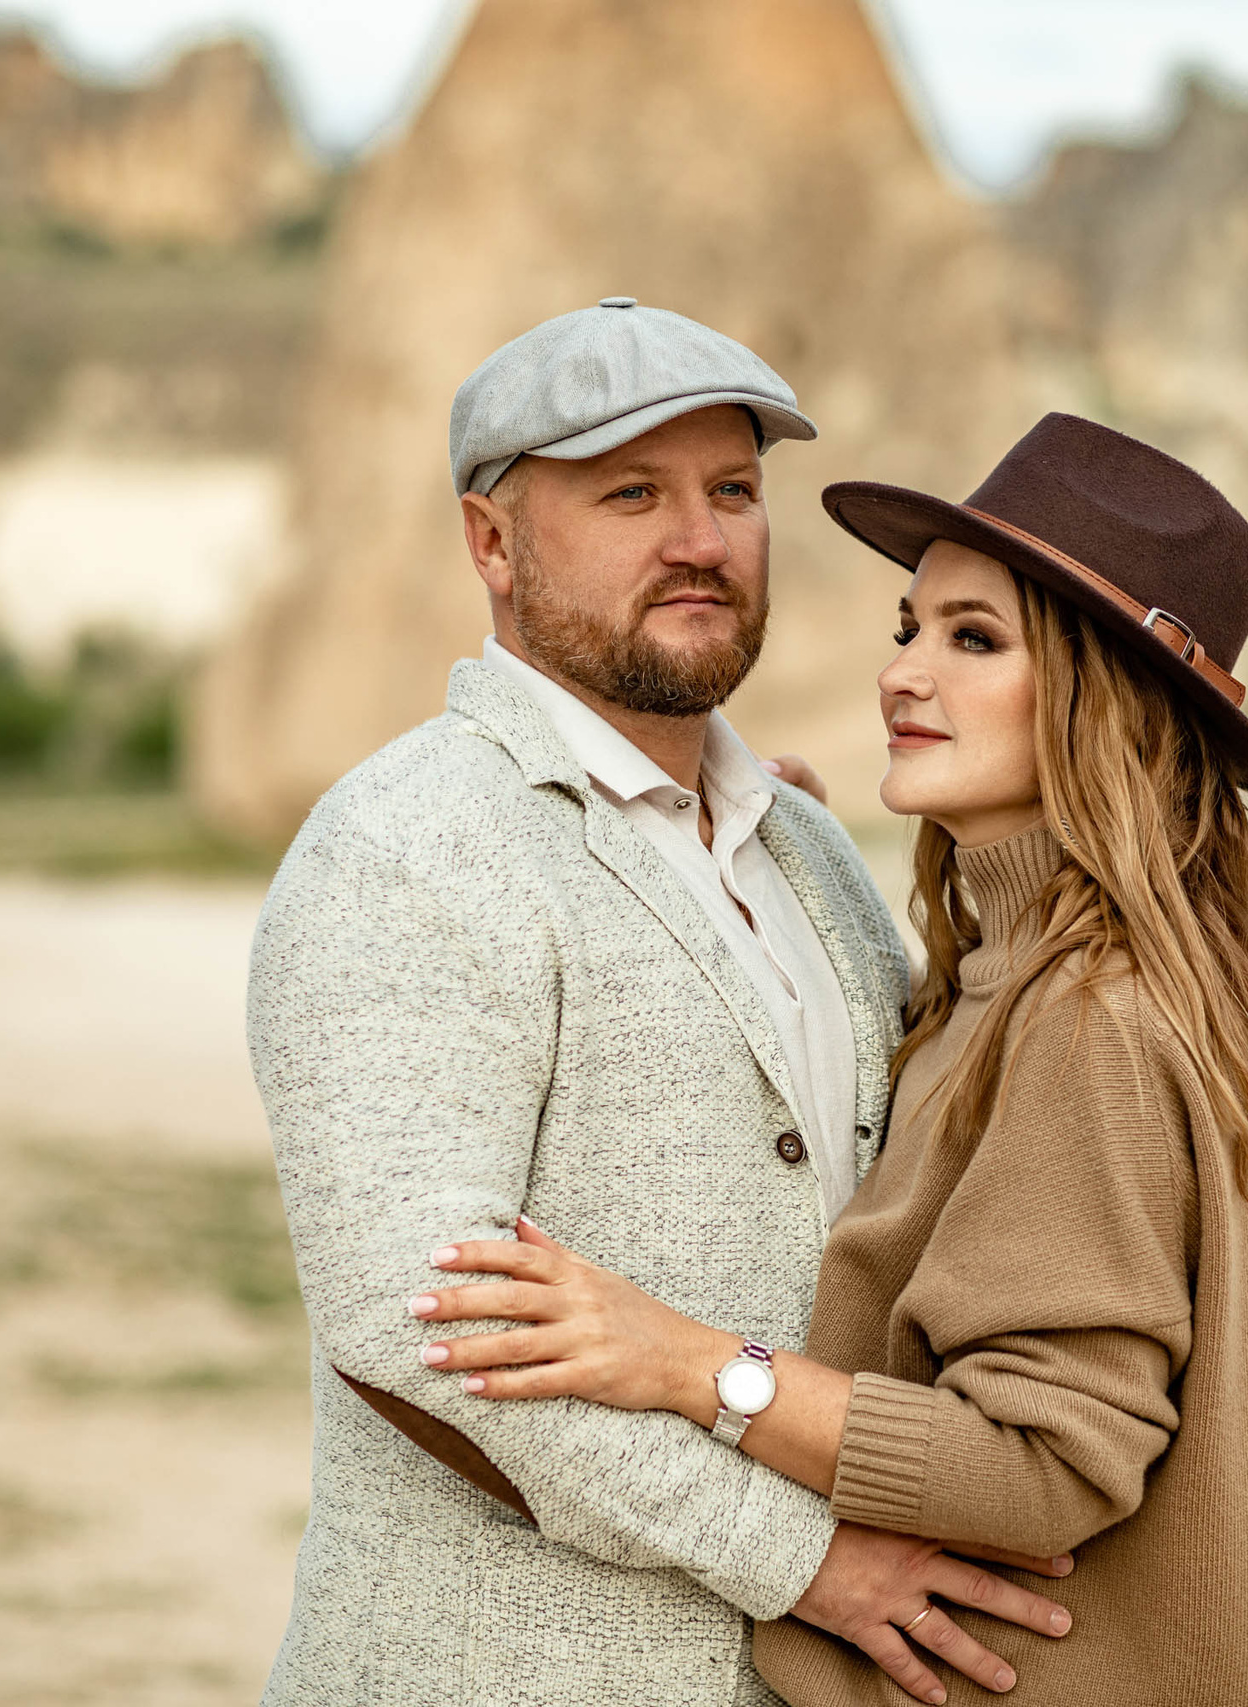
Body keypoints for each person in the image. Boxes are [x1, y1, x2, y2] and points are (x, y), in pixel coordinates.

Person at [407, 412, 1248, 1704]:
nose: (906, 675)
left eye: (975, 640)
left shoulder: (1086, 1018)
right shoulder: (1041, 978)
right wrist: (760, 883)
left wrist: (685, 1362)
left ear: (1104, 693)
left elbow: (1042, 1466)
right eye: (910, 629)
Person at [247, 301, 1072, 1706]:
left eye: (734, 491)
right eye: (632, 492)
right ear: (492, 544)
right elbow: (416, 1337)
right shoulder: (404, 846)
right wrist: (804, 1562)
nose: (702, 538)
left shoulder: (807, 849)